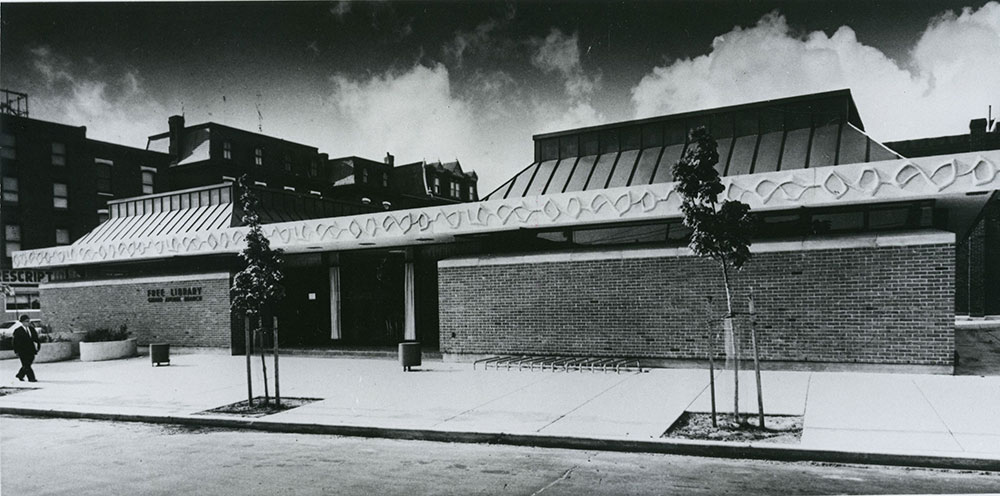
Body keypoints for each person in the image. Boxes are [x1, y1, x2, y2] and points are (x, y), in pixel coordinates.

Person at [12, 315, 41, 382]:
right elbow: (15, 342)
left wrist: (38, 346)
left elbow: (36, 339)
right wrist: (16, 351)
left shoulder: (32, 329)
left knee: (28, 363)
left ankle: (20, 374)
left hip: (31, 350)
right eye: (26, 321)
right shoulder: (18, 331)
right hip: (22, 351)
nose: (28, 323)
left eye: (29, 321)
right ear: (22, 322)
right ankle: (31, 378)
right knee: (26, 364)